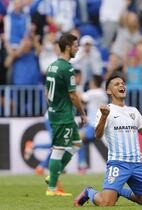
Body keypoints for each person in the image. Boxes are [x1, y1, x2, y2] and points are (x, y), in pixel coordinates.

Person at [74, 75, 142, 207]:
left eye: (123, 83)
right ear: (108, 91)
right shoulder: (105, 110)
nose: (122, 86)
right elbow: (97, 136)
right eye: (117, 84)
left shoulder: (134, 111)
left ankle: (119, 190)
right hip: (118, 163)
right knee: (106, 203)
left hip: (137, 164)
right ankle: (89, 192)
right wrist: (104, 117)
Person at [44, 33, 88, 196]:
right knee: (59, 148)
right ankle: (52, 188)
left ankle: (53, 176)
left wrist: (53, 106)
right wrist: (82, 113)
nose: (77, 48)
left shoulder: (52, 66)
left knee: (76, 143)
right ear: (68, 47)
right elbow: (73, 95)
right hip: (63, 115)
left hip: (57, 112)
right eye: (76, 45)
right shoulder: (67, 68)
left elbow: (46, 91)